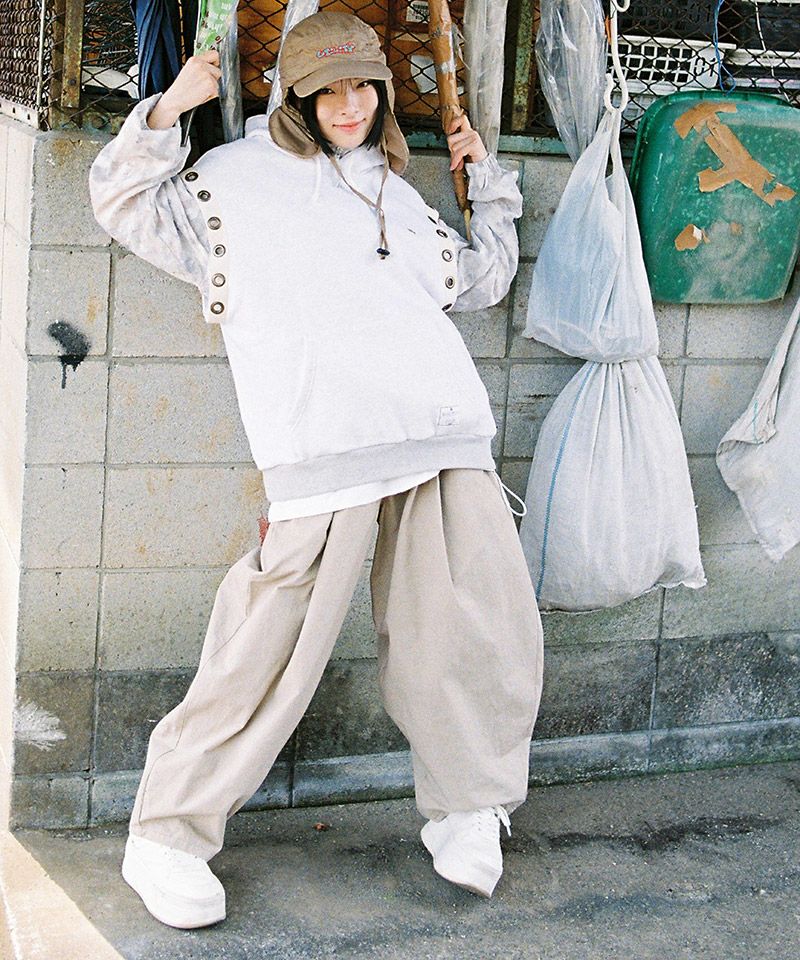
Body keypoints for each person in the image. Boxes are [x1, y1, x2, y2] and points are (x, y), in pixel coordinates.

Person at [90, 10, 544, 929]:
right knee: (266, 645)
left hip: (441, 432)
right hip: (322, 444)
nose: (348, 105)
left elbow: (480, 281)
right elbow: (123, 203)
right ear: (293, 95)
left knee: (471, 628)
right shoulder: (232, 179)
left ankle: (469, 806)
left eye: (363, 86)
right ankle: (167, 833)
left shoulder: (396, 190)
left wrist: (485, 184)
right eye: (326, 89)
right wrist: (168, 111)